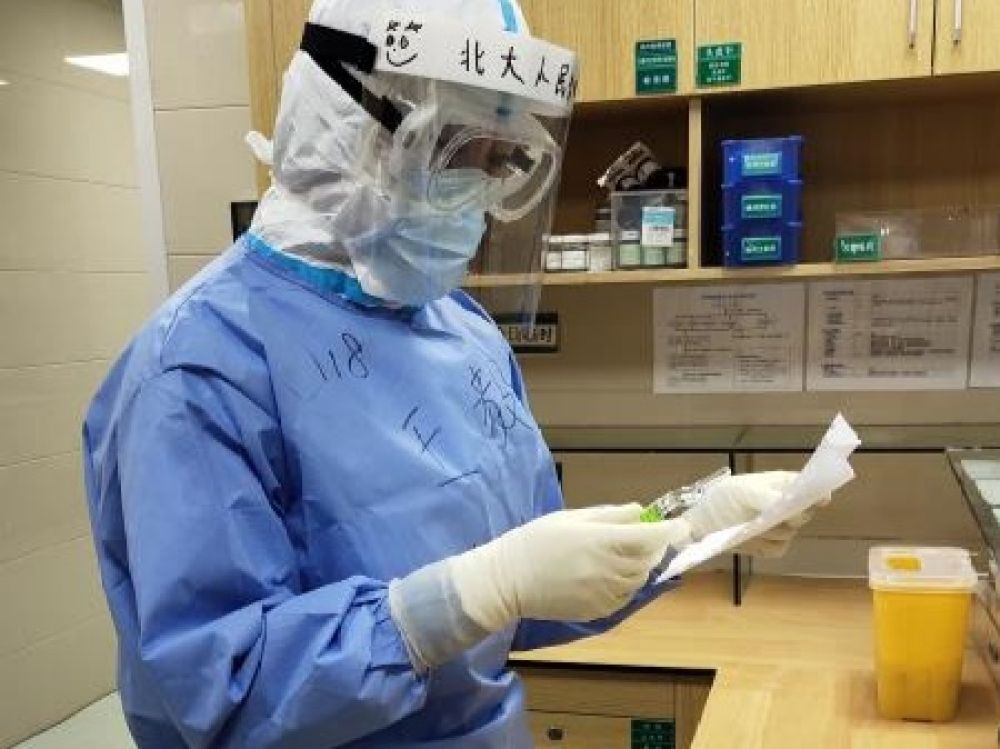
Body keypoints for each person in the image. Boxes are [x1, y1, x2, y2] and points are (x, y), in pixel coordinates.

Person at [82, 1, 817, 746]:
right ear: (349, 127)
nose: (479, 194)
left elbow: (532, 589)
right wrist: (463, 597)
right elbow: (222, 697)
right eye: (455, 149)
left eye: (500, 162)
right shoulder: (196, 369)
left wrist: (687, 529)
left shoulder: (463, 332)